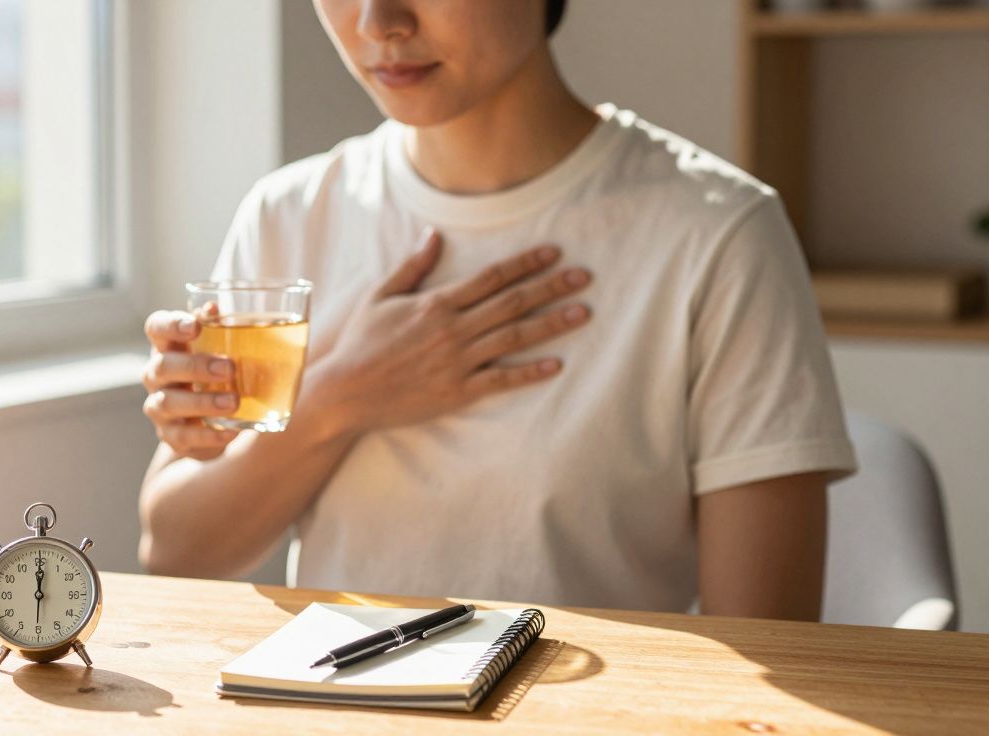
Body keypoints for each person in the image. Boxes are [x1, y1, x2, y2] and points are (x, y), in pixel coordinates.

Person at [138, 0, 857, 621]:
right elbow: (176, 552)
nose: (379, 22)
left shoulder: (717, 233)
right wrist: (343, 395)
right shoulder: (290, 214)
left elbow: (770, 644)